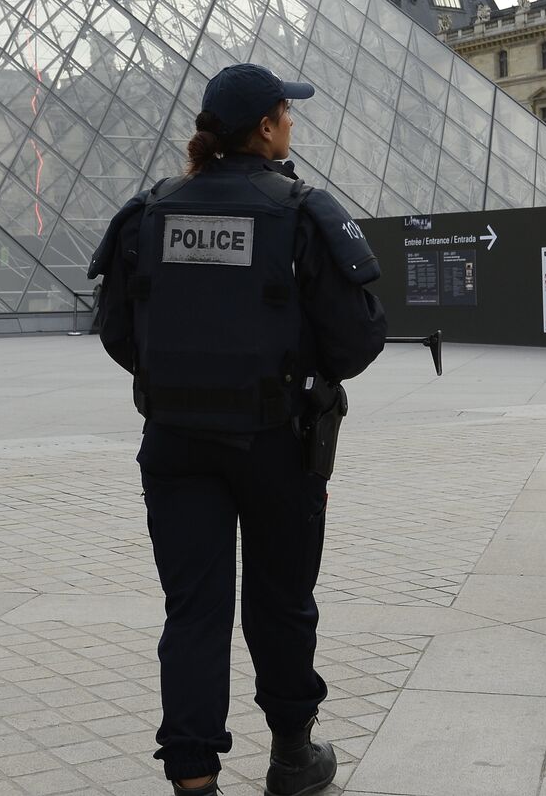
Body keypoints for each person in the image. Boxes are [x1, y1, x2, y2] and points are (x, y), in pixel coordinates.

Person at [89, 63, 388, 796]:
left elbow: (119, 331)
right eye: (287, 114)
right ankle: (292, 755)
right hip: (276, 442)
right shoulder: (301, 212)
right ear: (264, 127)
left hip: (176, 441)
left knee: (193, 607)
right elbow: (358, 340)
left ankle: (193, 776)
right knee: (280, 599)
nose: (293, 124)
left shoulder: (150, 212)